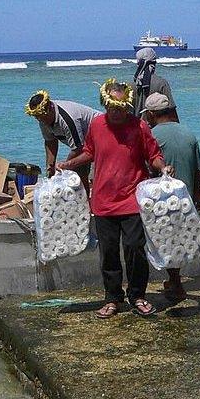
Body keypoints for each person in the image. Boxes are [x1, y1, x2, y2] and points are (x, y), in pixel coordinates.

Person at [58, 79, 165, 319]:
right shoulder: (96, 125)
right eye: (112, 108)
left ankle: (137, 295)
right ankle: (112, 298)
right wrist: (68, 164)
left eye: (121, 108)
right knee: (108, 252)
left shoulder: (140, 126)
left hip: (132, 199)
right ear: (105, 105)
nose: (116, 112)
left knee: (134, 247)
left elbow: (154, 155)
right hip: (104, 201)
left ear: (127, 106)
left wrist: (164, 167)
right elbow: (89, 152)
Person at [140, 92, 200, 302]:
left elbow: (148, 168)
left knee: (167, 242)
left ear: (150, 114)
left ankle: (176, 284)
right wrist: (197, 195)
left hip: (163, 198)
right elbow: (198, 169)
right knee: (177, 239)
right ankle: (175, 282)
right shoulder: (189, 133)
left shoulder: (152, 135)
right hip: (186, 198)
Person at [24, 90, 100, 191]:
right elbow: (50, 141)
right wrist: (50, 167)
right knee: (77, 172)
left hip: (100, 137)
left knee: (93, 177)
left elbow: (78, 148)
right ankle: (84, 201)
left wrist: (64, 165)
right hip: (84, 143)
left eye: (43, 117)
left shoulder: (67, 119)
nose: (42, 121)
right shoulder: (43, 119)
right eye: (38, 118)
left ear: (50, 108)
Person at [132, 48, 178, 120]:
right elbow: (171, 110)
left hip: (136, 128)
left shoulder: (131, 85)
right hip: (156, 128)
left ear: (138, 63)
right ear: (154, 63)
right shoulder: (161, 83)